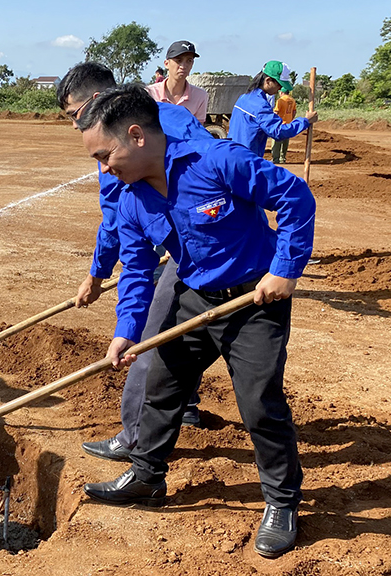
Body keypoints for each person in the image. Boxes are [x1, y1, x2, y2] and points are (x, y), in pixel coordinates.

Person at [76, 84, 315, 559]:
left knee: (258, 402)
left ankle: (282, 503)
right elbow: (139, 274)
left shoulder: (216, 161)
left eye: (106, 155)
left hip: (253, 301)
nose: (104, 169)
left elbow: (294, 196)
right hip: (193, 296)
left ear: (137, 135)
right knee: (163, 388)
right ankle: (146, 476)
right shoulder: (131, 201)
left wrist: (285, 269)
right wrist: (126, 334)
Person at [56, 62, 211, 464]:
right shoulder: (167, 114)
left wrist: (96, 274)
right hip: (192, 243)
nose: (76, 127)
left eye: (75, 115)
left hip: (190, 251)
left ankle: (135, 437)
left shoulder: (117, 142)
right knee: (177, 337)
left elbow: (116, 219)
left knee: (151, 344)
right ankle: (185, 409)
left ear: (96, 103)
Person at [229, 60, 316, 158]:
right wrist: (305, 121)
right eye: (279, 84)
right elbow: (278, 131)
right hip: (246, 160)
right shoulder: (260, 105)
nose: (280, 88)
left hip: (232, 155)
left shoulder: (244, 98)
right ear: (268, 81)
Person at [145, 41, 209, 123]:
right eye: (178, 60)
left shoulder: (200, 96)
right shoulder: (149, 94)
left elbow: (197, 132)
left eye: (189, 61)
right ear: (166, 64)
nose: (183, 66)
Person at [271, 89, 298, 164]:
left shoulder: (280, 100)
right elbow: (294, 111)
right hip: (288, 124)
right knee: (285, 143)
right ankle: (283, 159)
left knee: (276, 143)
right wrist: (290, 119)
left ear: (281, 92)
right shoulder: (292, 100)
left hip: (280, 124)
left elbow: (276, 112)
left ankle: (276, 159)